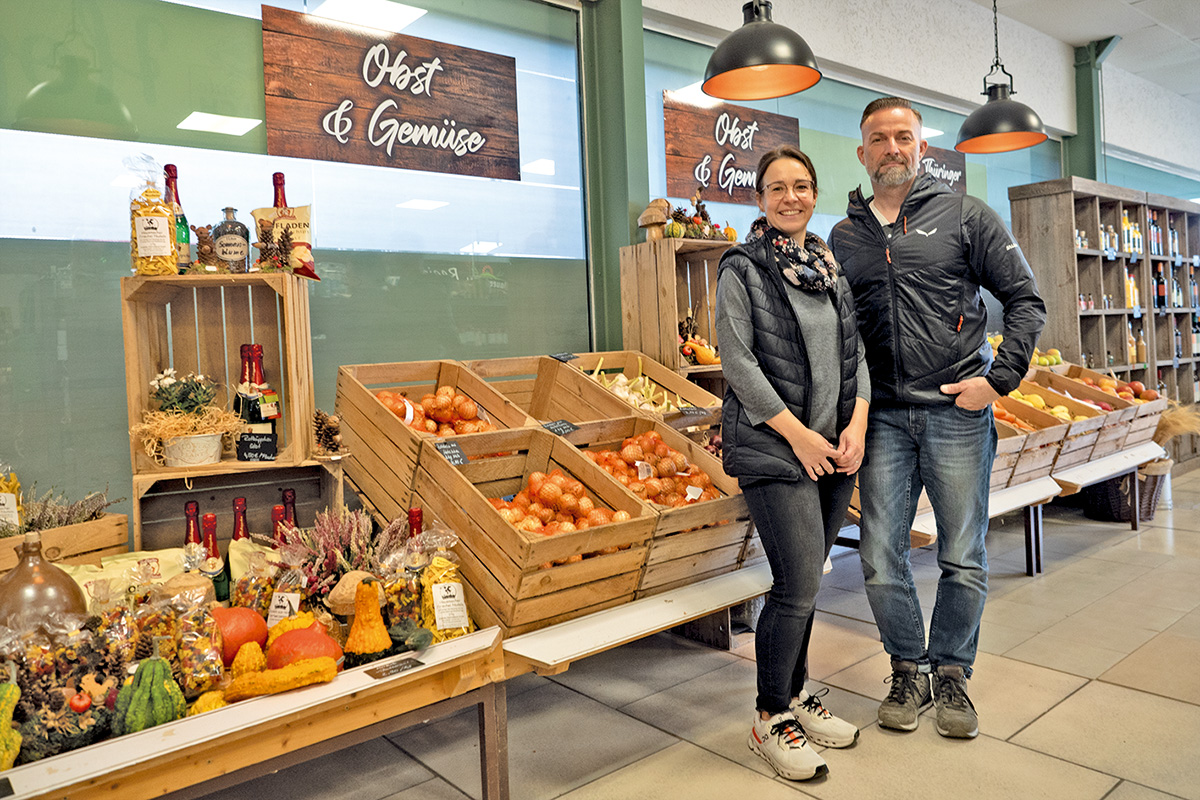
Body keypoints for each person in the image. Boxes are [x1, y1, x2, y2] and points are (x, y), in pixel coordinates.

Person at [829, 97, 1046, 739]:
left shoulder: (965, 215)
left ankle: (951, 673)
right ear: (862, 152)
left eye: (903, 136)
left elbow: (1025, 300)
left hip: (956, 411)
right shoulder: (844, 236)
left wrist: (997, 381)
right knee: (877, 555)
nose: (892, 147)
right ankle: (907, 667)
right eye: (879, 138)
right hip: (885, 419)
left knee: (962, 555)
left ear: (922, 147)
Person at [715, 145, 871, 781]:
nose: (790, 197)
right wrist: (800, 436)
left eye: (801, 186)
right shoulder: (742, 269)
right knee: (798, 582)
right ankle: (769, 716)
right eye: (776, 188)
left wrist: (856, 425)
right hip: (776, 450)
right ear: (759, 199)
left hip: (836, 449)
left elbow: (856, 357)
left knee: (809, 583)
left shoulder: (830, 270)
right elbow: (739, 364)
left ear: (814, 193)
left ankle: (799, 696)